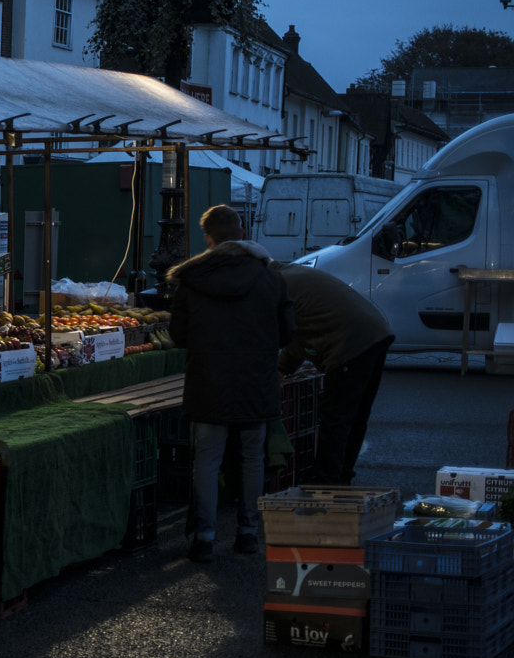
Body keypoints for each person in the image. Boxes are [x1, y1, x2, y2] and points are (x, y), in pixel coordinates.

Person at [168, 204, 296, 562]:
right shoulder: (271, 278)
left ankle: (205, 538)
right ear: (241, 233)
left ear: (208, 238)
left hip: (209, 380)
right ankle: (248, 533)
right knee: (252, 457)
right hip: (256, 380)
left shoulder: (191, 279)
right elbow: (287, 332)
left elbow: (178, 335)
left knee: (207, 459)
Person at [274, 262, 395, 485]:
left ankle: (326, 479)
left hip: (350, 343)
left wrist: (281, 369)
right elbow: (301, 330)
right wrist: (284, 366)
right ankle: (342, 475)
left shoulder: (276, 285)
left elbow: (291, 332)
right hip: (376, 333)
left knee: (336, 418)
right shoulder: (295, 273)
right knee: (356, 417)